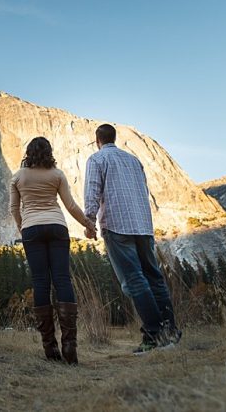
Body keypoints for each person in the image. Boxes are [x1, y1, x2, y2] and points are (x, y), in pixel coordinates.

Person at [84, 124, 182, 354]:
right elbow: (144, 191)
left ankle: (153, 334)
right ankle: (170, 332)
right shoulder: (133, 160)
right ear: (114, 138)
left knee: (134, 280)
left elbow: (92, 191)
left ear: (97, 140)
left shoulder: (97, 160)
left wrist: (89, 221)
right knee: (155, 278)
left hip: (118, 226)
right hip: (143, 226)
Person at [9, 137, 96, 364]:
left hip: (31, 229)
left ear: (28, 153)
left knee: (40, 282)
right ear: (49, 152)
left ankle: (50, 348)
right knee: (62, 280)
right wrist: (88, 223)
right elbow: (70, 206)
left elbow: (13, 209)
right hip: (57, 227)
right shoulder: (57, 175)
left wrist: (23, 226)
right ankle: (70, 347)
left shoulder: (18, 176)